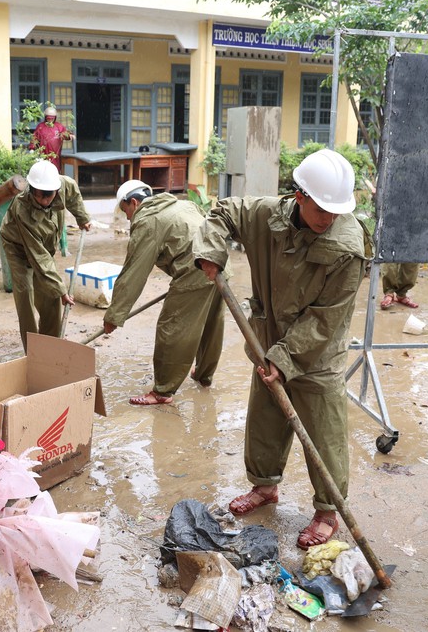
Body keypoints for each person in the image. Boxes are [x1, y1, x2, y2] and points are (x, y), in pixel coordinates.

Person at [193, 148, 368, 550]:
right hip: (267, 336)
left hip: (316, 352)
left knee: (323, 430)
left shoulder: (347, 247)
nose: (329, 219)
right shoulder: (266, 216)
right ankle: (265, 486)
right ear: (299, 196)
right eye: (322, 208)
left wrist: (284, 358)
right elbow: (222, 213)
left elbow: (326, 319)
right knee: (266, 417)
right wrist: (212, 252)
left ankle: (327, 509)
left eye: (336, 211)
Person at [104, 179, 224, 405]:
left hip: (195, 268)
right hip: (220, 260)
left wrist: (113, 316)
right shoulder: (181, 204)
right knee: (210, 322)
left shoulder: (148, 220)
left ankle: (162, 391)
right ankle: (203, 375)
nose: (128, 217)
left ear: (134, 203)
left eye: (126, 211)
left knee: (172, 326)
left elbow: (133, 273)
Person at [0, 159, 91, 349]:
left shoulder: (62, 185)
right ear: (31, 189)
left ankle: (50, 345)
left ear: (56, 190)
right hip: (18, 247)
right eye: (39, 196)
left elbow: (73, 194)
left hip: (44, 245)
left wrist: (83, 218)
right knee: (26, 293)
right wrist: (62, 290)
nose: (44, 200)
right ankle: (33, 350)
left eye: (49, 196)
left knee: (50, 293)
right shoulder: (22, 209)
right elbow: (39, 257)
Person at [30, 106, 72, 170]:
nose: (50, 120)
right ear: (45, 117)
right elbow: (35, 137)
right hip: (43, 154)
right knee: (43, 170)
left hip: (55, 155)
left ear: (55, 118)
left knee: (55, 170)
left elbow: (66, 135)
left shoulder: (59, 126)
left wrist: (69, 136)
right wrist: (32, 148)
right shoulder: (41, 126)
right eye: (48, 118)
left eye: (52, 118)